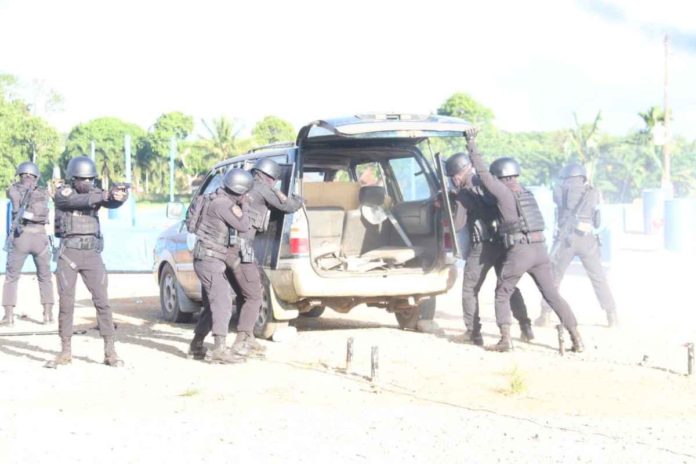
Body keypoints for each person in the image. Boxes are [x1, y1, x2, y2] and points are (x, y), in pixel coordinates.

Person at [465, 130, 584, 353]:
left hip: (520, 251)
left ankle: (505, 340)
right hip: (541, 251)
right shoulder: (526, 193)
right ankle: (577, 339)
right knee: (552, 295)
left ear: (499, 177)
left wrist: (471, 143)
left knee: (502, 292)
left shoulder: (502, 192)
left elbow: (481, 172)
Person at [47, 156, 129, 368]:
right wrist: (104, 194)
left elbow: (111, 202)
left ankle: (110, 351)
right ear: (73, 179)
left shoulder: (95, 193)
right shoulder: (63, 193)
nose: (88, 183)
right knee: (66, 304)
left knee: (103, 303)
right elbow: (77, 201)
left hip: (92, 254)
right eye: (84, 180)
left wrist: (120, 195)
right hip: (69, 254)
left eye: (91, 179)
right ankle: (65, 351)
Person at [445, 153, 533, 346]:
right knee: (507, 286)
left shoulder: (465, 191)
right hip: (503, 241)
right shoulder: (491, 181)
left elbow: (458, 225)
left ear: (456, 176)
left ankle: (473, 333)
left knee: (470, 289)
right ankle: (526, 327)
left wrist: (452, 202)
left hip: (482, 245)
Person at [227, 158, 303, 356]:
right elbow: (288, 206)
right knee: (254, 294)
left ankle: (244, 338)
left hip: (224, 248)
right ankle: (241, 341)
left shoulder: (240, 185)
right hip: (243, 248)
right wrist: (298, 199)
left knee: (243, 293)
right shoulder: (261, 187)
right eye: (274, 180)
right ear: (268, 177)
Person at [535, 162, 618, 327]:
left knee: (553, 277)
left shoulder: (560, 190)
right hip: (588, 239)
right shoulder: (593, 192)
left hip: (567, 238)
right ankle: (612, 316)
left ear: (566, 176)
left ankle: (545, 315)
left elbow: (558, 200)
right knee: (598, 277)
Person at [187, 168, 254, 364]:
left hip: (207, 258)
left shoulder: (213, 198)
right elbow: (244, 225)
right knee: (223, 301)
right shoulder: (223, 204)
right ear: (240, 190)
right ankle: (219, 349)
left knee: (211, 304)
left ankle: (196, 345)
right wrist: (245, 206)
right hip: (209, 259)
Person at [1, 161, 54, 326]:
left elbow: (10, 191)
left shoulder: (14, 190)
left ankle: (8, 317)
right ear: (36, 177)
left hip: (21, 237)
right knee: (45, 277)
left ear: (20, 175)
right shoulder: (43, 193)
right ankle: (48, 315)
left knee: (11, 277)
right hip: (40, 237)